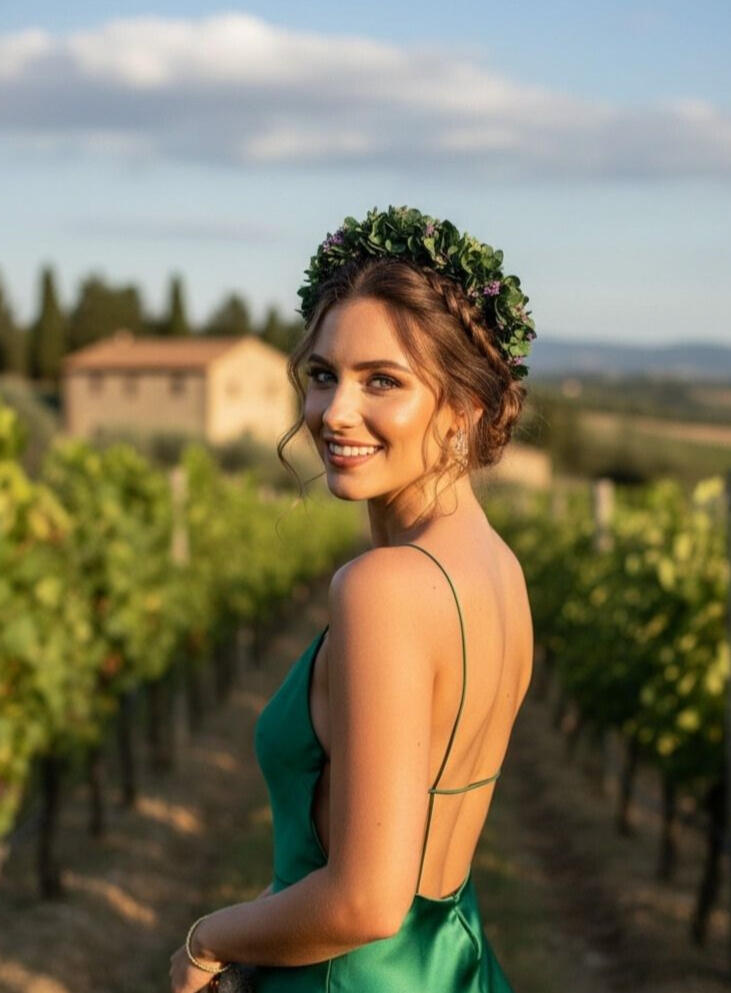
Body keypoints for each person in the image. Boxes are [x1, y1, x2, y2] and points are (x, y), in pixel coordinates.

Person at [170, 205, 536, 992]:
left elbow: (366, 899)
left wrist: (206, 939)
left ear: (463, 409)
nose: (335, 412)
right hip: (452, 960)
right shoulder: (498, 568)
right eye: (323, 374)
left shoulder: (383, 587)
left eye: (383, 381)